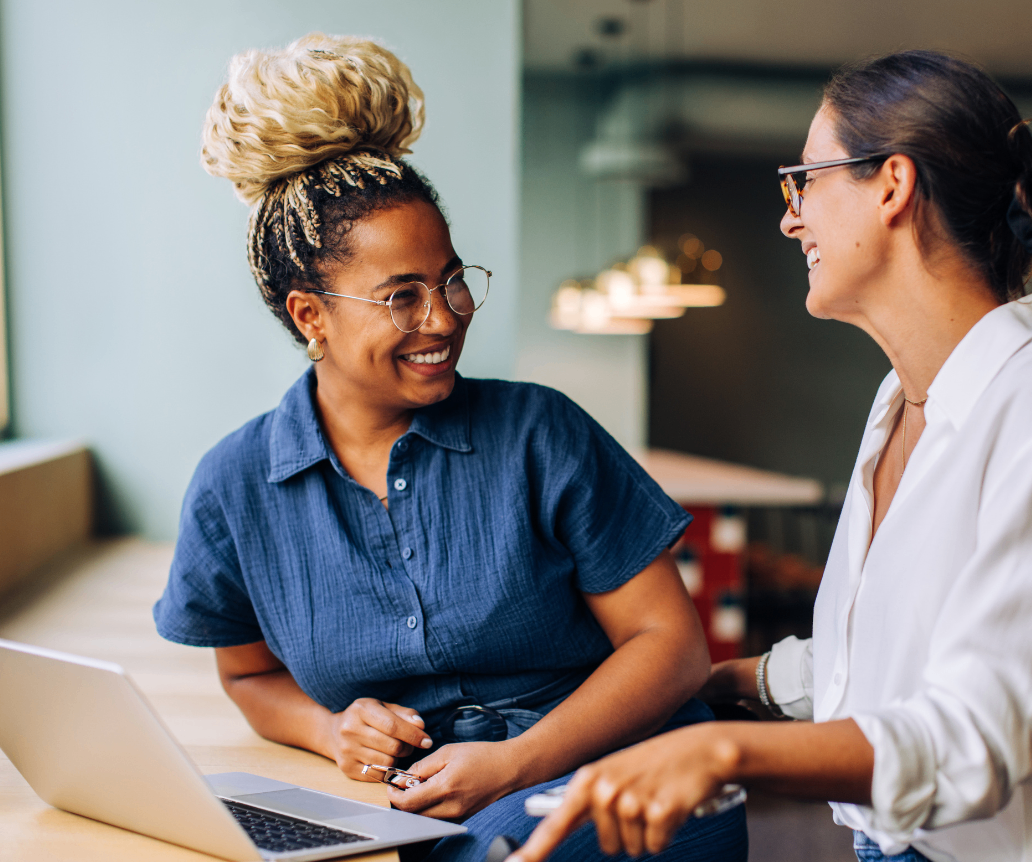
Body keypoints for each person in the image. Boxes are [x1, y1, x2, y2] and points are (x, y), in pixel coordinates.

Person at [152, 34, 747, 862]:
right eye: (402, 296)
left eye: (452, 281)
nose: (444, 317)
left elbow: (671, 651)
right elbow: (248, 677)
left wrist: (514, 763)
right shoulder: (235, 486)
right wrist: (330, 729)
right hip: (427, 803)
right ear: (309, 315)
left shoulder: (541, 432)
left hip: (631, 773)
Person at [512, 50, 1032, 862]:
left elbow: (977, 735)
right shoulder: (898, 399)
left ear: (892, 186)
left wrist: (722, 752)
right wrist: (727, 684)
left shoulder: (1022, 405)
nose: (791, 220)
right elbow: (892, 653)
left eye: (804, 183)